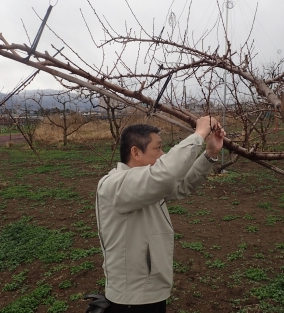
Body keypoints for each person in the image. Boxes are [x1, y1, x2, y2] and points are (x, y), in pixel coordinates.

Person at [95, 116, 225, 313]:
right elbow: (166, 175)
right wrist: (198, 135)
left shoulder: (145, 185)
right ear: (136, 152)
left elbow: (182, 184)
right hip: (133, 299)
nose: (163, 154)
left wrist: (209, 154)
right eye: (158, 148)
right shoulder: (114, 185)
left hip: (149, 292)